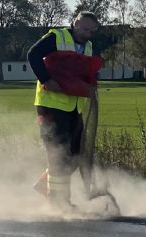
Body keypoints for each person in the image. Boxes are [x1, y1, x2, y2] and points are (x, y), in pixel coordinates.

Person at [27, 11, 103, 211]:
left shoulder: (88, 46)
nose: (88, 33)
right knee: (58, 155)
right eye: (85, 28)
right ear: (76, 23)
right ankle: (59, 203)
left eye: (92, 31)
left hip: (73, 106)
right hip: (51, 104)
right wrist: (46, 80)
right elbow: (33, 55)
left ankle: (45, 186)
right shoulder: (56, 37)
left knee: (76, 153)